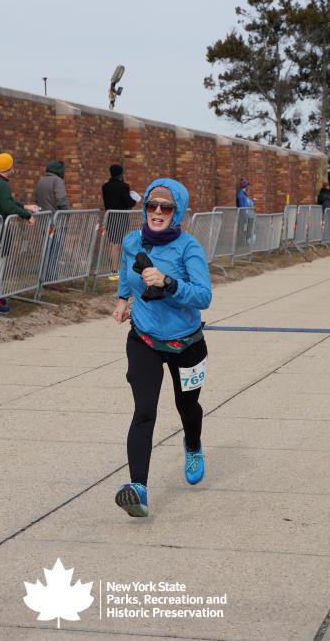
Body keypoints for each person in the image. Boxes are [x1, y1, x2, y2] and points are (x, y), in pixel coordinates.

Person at [111, 178, 212, 518]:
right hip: (144, 339)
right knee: (144, 410)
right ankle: (137, 489)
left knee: (187, 406)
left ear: (176, 212)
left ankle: (193, 445)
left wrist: (169, 283)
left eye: (165, 207)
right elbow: (126, 272)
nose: (157, 212)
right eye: (152, 205)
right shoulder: (132, 241)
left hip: (186, 343)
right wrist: (122, 300)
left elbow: (204, 296)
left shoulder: (188, 248)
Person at [0, 152, 40, 313]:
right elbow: (7, 206)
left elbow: (7, 202)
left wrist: (25, 206)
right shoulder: (3, 185)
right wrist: (27, 215)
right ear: (9, 168)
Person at [34, 161, 70, 284]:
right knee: (55, 252)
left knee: (47, 251)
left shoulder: (41, 181)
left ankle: (44, 277)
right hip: (57, 222)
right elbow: (61, 200)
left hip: (44, 222)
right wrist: (67, 213)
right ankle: (51, 278)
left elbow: (37, 200)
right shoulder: (57, 181)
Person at [101, 164, 136, 282]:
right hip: (121, 217)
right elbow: (129, 202)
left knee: (112, 243)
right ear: (121, 174)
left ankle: (113, 268)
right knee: (117, 244)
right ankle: (115, 270)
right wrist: (134, 199)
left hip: (110, 217)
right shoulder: (123, 186)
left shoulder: (105, 186)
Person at [235, 178, 255, 249]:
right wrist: (245, 214)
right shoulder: (241, 194)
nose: (248, 187)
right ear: (245, 186)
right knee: (244, 229)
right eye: (247, 186)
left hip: (249, 215)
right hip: (244, 215)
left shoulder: (245, 194)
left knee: (248, 229)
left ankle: (246, 242)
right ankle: (242, 243)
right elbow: (242, 206)